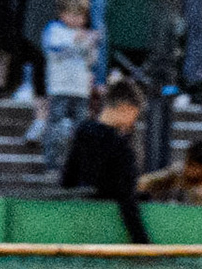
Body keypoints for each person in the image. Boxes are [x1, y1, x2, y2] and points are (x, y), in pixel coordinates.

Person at [61, 78, 149, 242]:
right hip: (107, 224)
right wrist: (142, 241)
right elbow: (126, 196)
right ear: (126, 109)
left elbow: (67, 176)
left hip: (77, 216)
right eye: (135, 115)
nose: (133, 122)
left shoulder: (83, 131)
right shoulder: (121, 147)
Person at [37, 0, 96, 172]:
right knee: (55, 125)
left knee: (81, 128)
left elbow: (91, 60)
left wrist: (91, 45)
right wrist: (76, 41)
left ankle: (79, 165)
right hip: (60, 88)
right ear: (63, 14)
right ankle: (52, 164)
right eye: (74, 14)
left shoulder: (85, 34)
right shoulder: (54, 30)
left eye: (82, 16)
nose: (79, 20)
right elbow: (54, 51)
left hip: (80, 89)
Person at [138, 138, 202, 204]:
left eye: (194, 167)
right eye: (188, 163)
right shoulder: (179, 171)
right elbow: (147, 181)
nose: (188, 169)